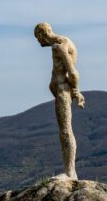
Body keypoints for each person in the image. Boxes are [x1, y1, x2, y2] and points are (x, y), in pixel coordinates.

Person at [34, 22, 85, 179]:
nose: (38, 42)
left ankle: (70, 172)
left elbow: (73, 73)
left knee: (65, 130)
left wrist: (76, 91)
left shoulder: (60, 45)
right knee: (63, 130)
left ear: (43, 34)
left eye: (37, 38)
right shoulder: (60, 44)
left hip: (63, 91)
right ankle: (69, 170)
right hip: (60, 90)